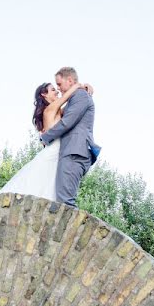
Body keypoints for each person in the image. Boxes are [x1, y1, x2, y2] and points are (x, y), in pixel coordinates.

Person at [0, 71, 97, 203]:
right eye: (53, 89)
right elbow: (66, 100)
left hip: (60, 151)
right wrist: (78, 86)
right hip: (56, 151)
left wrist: (85, 88)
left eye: (57, 88)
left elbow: (72, 109)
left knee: (49, 186)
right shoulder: (50, 109)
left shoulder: (57, 110)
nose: (57, 91)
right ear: (44, 94)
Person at [41, 67, 99, 207]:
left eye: (59, 85)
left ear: (70, 80)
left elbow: (67, 122)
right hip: (71, 152)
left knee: (65, 204)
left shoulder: (80, 96)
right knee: (63, 202)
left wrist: (44, 137)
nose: (59, 89)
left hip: (74, 152)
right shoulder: (75, 99)